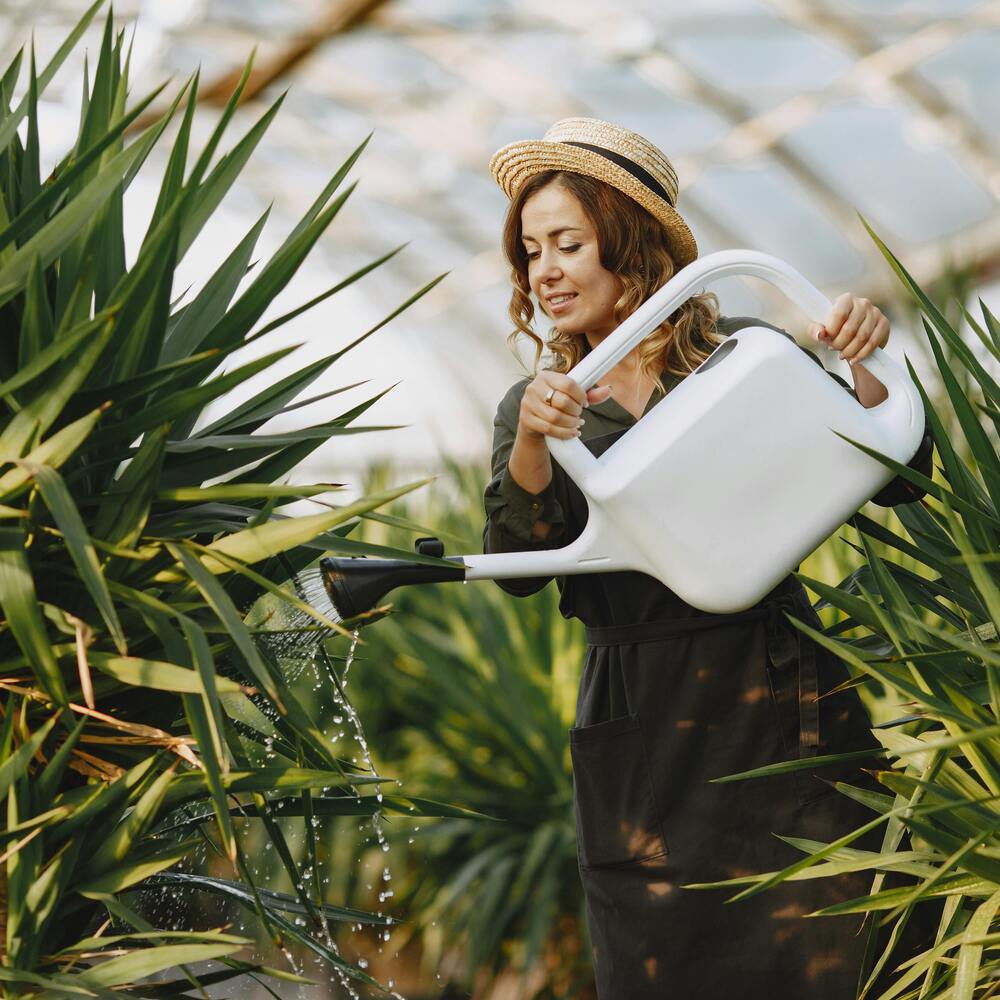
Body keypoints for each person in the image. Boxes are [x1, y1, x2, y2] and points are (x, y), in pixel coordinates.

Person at [482, 118, 934, 998]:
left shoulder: (740, 358)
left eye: (568, 243)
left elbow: (897, 477)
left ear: (631, 242)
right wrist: (535, 444)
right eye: (532, 250)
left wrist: (865, 361)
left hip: (780, 688)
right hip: (643, 717)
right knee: (664, 948)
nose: (544, 270)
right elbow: (525, 566)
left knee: (841, 928)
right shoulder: (537, 404)